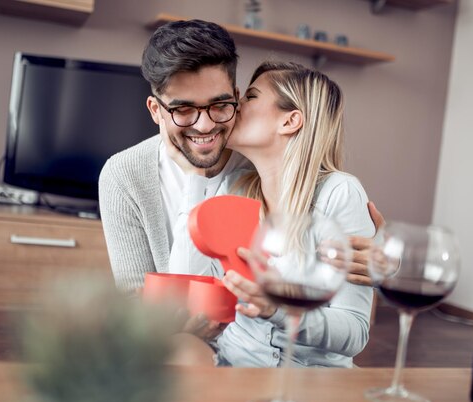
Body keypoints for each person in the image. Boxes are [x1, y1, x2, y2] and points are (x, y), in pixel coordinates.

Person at [99, 19, 383, 296]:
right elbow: (135, 301)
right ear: (155, 110)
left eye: (220, 105)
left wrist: (384, 264)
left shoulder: (259, 164)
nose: (205, 126)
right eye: (183, 110)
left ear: (236, 97)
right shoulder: (123, 174)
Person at [168, 61, 375, 367]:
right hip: (233, 367)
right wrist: (194, 169)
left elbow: (355, 332)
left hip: (307, 383)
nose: (236, 106)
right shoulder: (234, 188)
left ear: (290, 121)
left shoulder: (339, 193)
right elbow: (192, 287)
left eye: (250, 97)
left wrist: (277, 310)